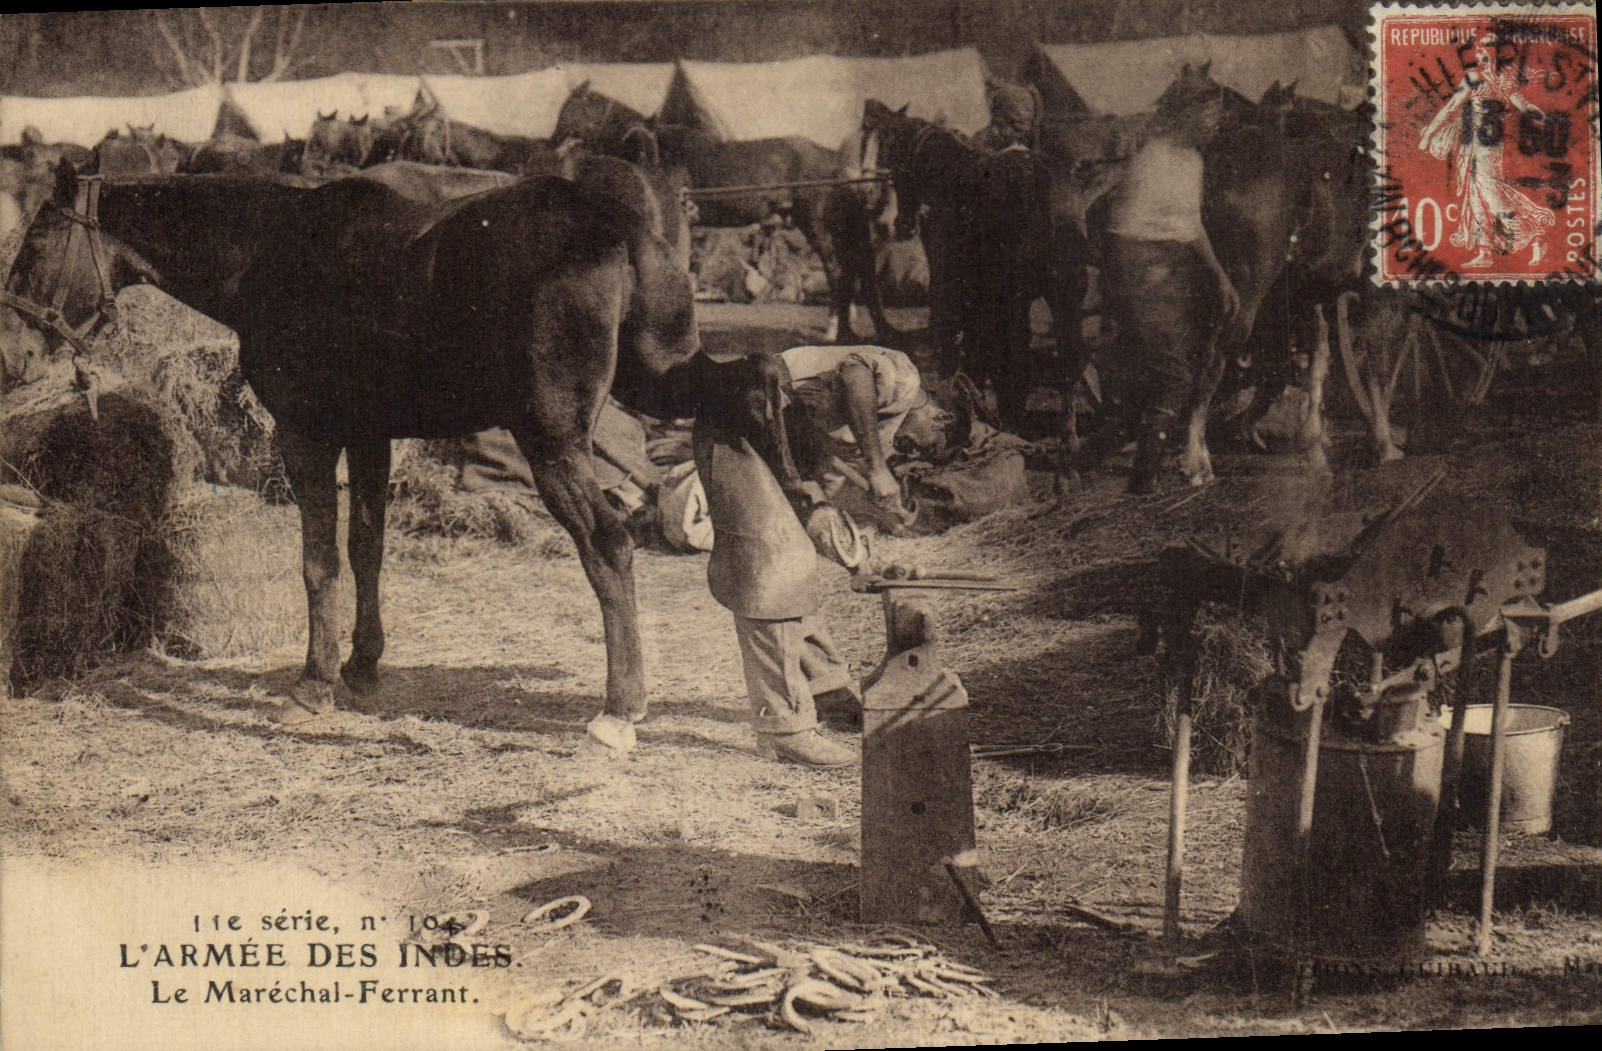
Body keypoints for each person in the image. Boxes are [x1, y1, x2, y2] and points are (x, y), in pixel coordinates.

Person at [1103, 69, 1241, 493]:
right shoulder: (1154, 158)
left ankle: (1093, 456)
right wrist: (1147, 284)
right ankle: (1142, 480)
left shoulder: (1192, 160)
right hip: (1143, 269)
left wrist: (1221, 278)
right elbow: (1126, 233)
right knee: (1175, 377)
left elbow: (1191, 225)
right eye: (1208, 115)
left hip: (1172, 269)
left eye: (1218, 116)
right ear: (1184, 115)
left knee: (1171, 371)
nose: (1215, 124)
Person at [779, 344, 964, 527]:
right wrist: (878, 469)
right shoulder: (907, 381)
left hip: (778, 429)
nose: (914, 454)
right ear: (942, 419)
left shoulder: (881, 433)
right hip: (769, 385)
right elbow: (855, 373)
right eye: (930, 447)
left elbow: (830, 474)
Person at [1420, 32, 1555, 268]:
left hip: (1490, 145)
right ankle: (1484, 253)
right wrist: (1430, 133)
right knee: (1475, 197)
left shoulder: (1503, 81)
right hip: (1471, 145)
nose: (1483, 51)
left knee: (1492, 196)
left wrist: (1543, 117)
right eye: (1481, 47)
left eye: (1489, 47)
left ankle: (1535, 232)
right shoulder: (1472, 78)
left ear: (1497, 52)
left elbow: (1522, 104)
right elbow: (1451, 108)